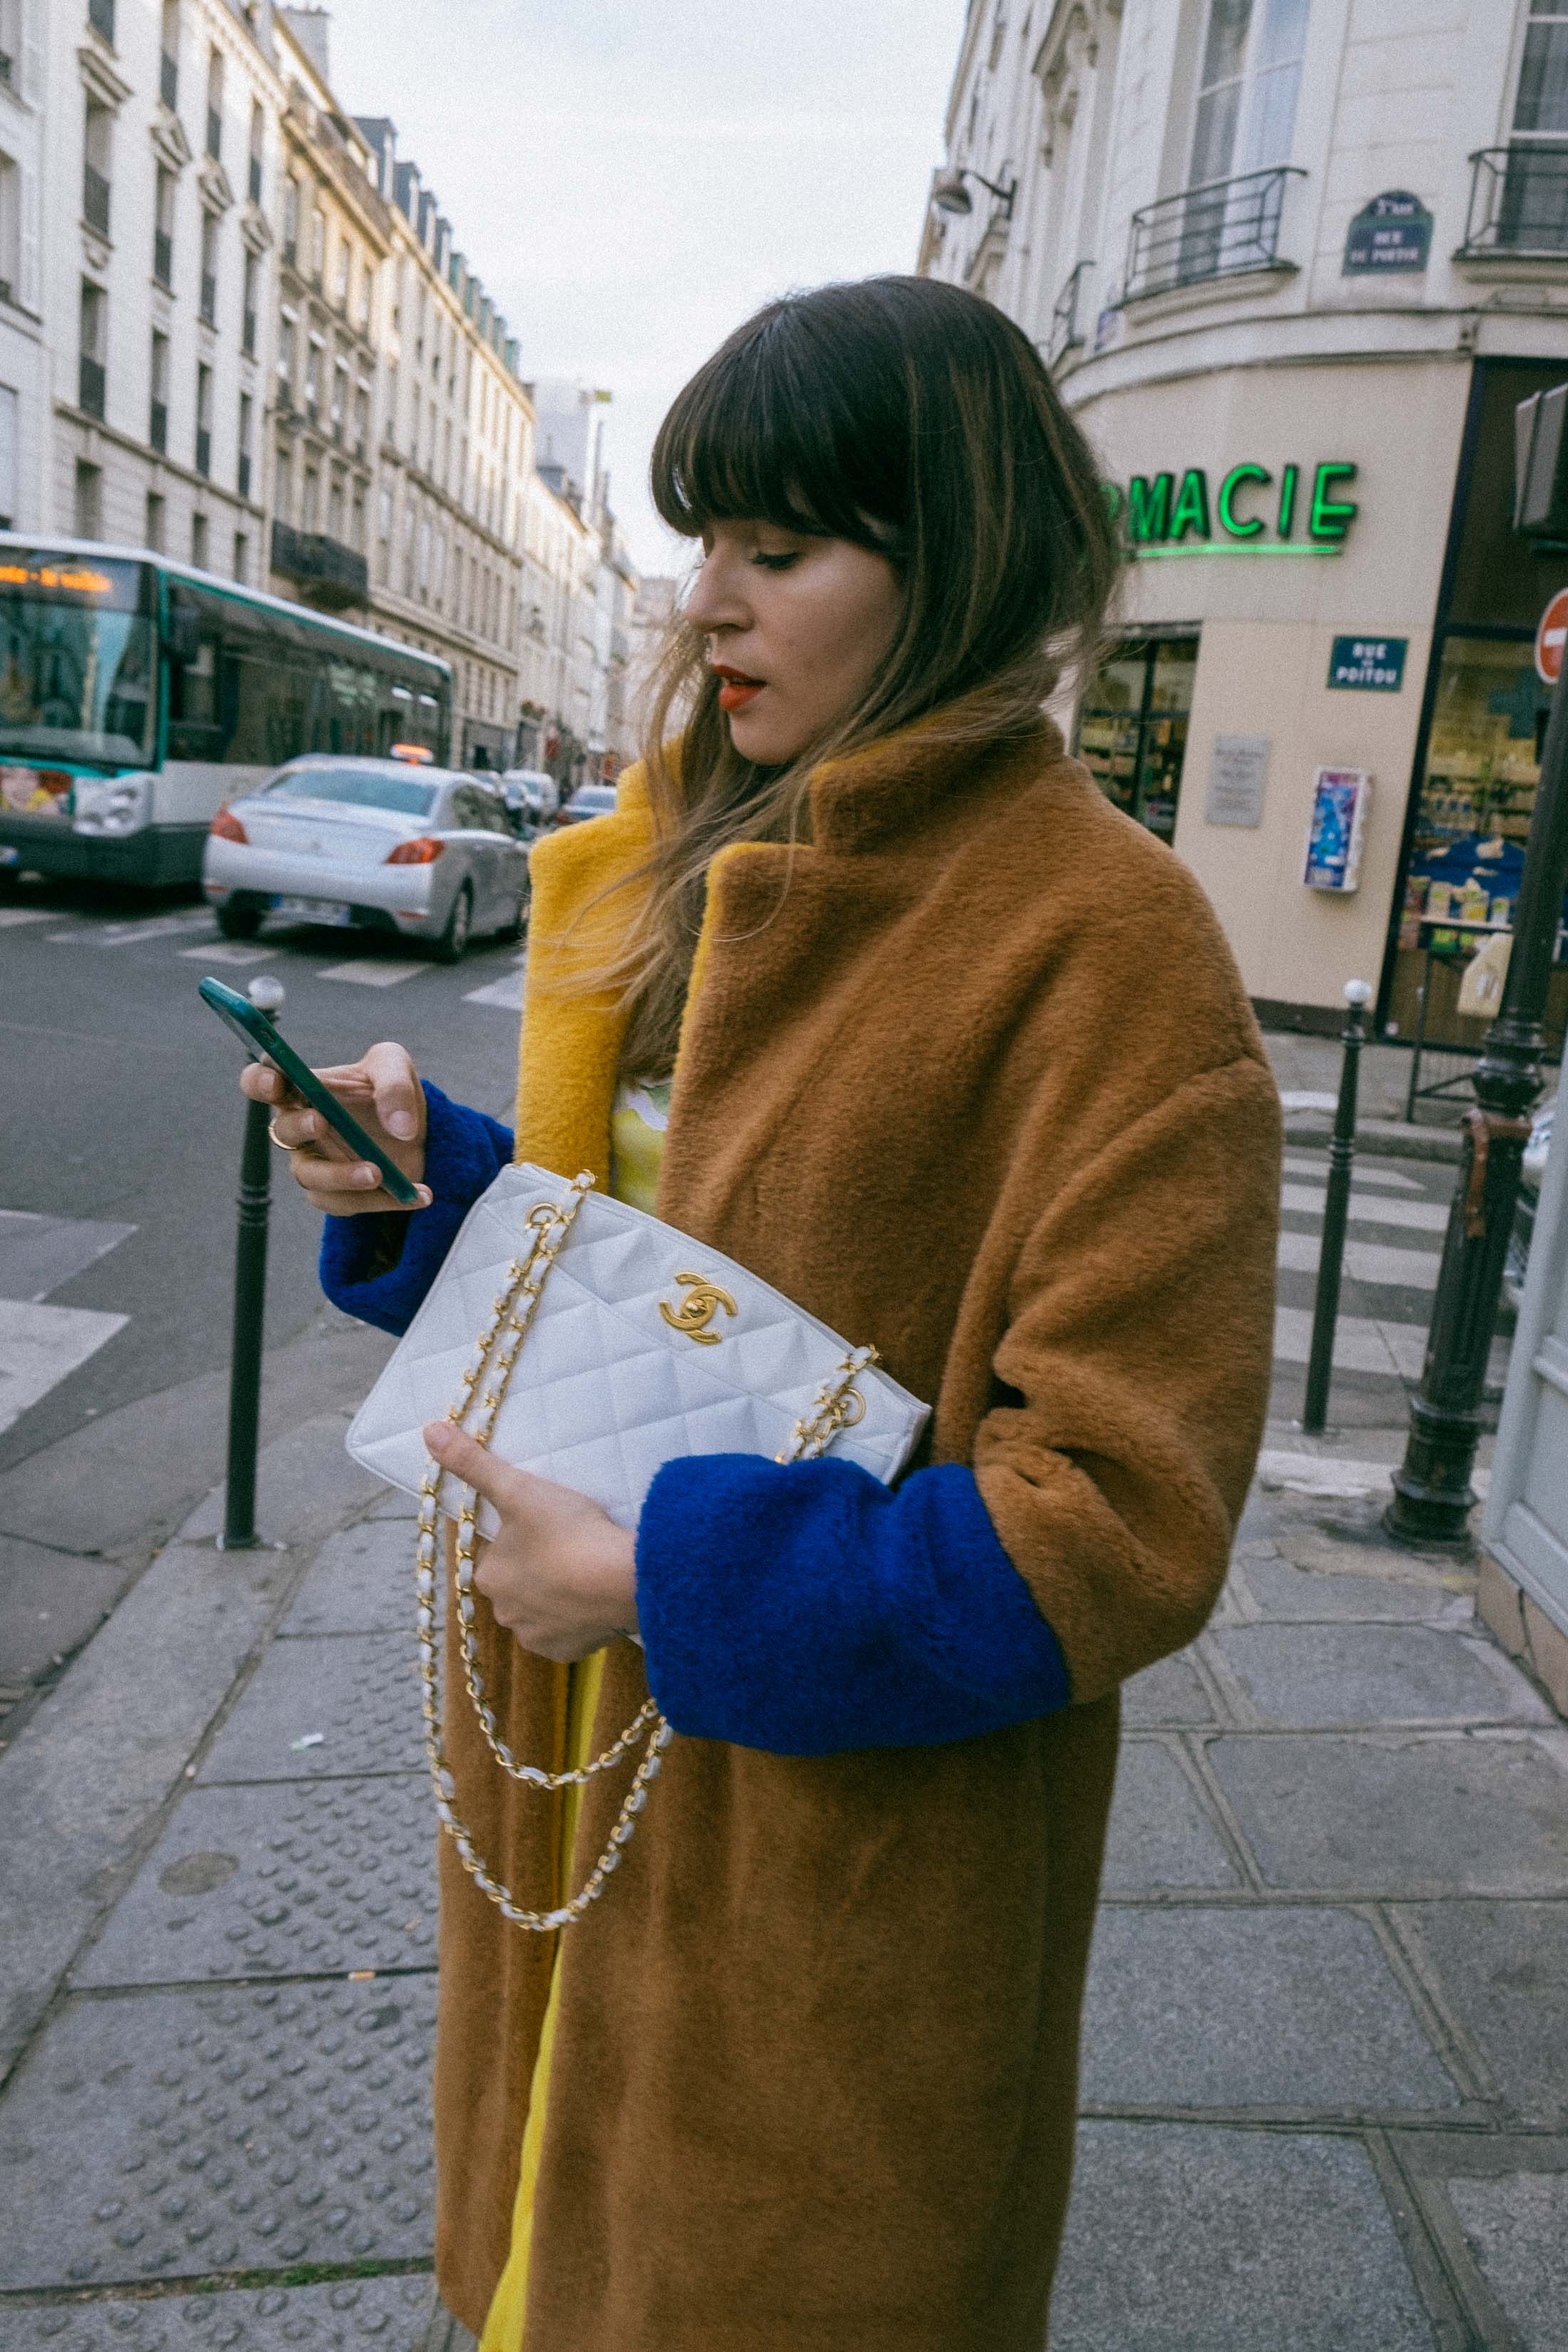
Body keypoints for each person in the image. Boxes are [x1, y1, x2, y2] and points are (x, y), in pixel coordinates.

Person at [248, 276, 1280, 2352]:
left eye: (776, 550)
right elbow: (657, 1268)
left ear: (954, 560)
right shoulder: (680, 859)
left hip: (839, 1887)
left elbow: (1119, 1519)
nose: (702, 600)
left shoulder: (1111, 946)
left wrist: (662, 1574)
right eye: (702, 539)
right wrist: (428, 1178)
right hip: (571, 1781)